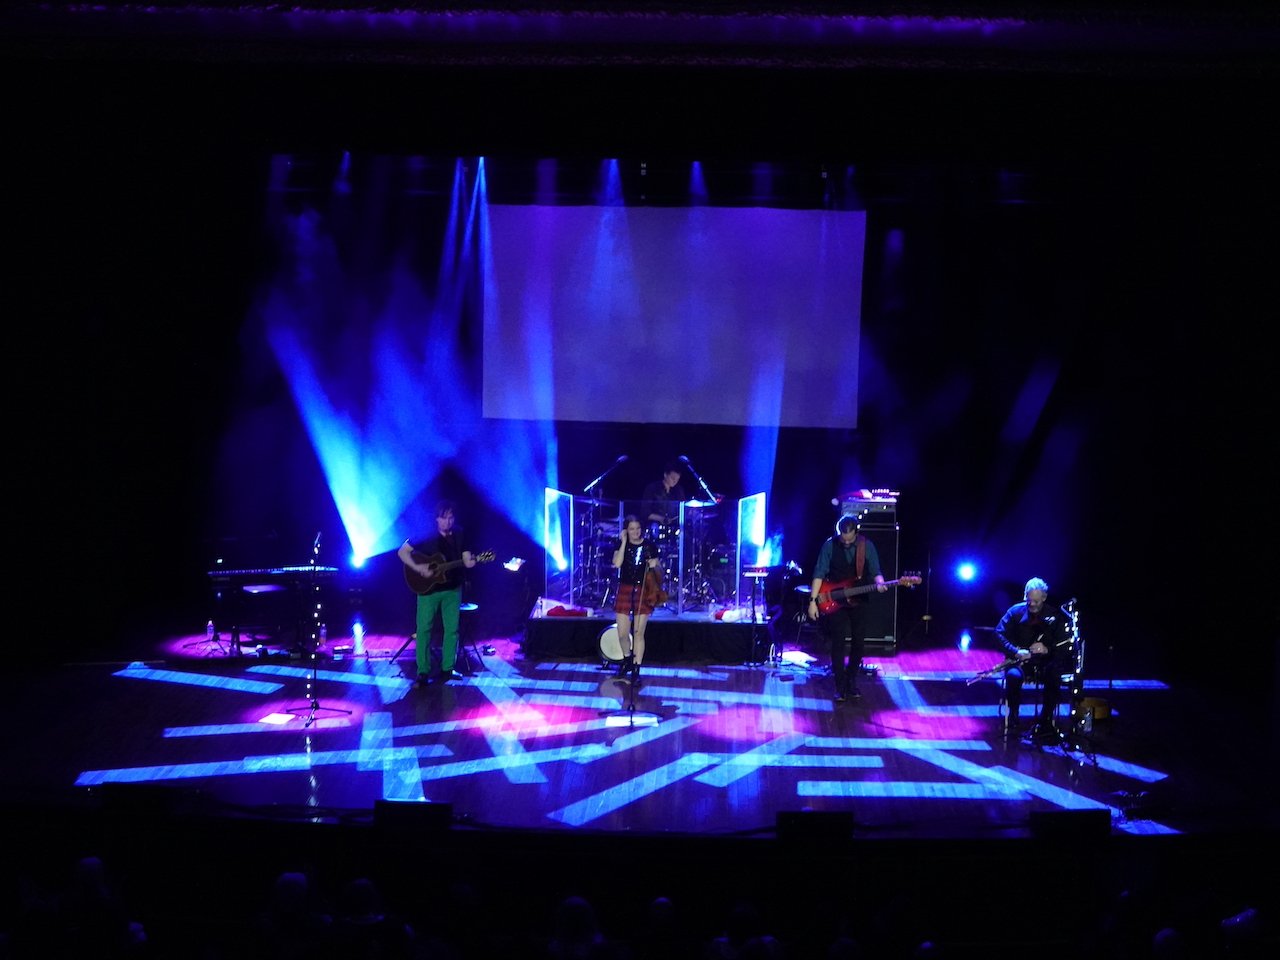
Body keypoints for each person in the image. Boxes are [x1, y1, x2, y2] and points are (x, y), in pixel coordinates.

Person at [808, 513, 886, 703]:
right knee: (838, 642)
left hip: (859, 599)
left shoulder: (866, 546)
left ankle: (851, 680)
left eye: (850, 539)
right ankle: (840, 685)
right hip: (836, 599)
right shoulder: (829, 545)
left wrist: (880, 582)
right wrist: (813, 601)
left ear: (856, 533)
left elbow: (875, 570)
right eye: (843, 539)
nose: (846, 542)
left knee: (859, 642)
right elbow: (819, 573)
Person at [398, 500, 477, 686]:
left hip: (452, 589)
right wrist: (418, 568)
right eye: (444, 518)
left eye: (451, 518)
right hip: (428, 590)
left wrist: (472, 561)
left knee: (452, 630)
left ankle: (447, 669)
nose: (448, 522)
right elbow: (402, 552)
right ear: (436, 519)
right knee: (424, 630)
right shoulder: (425, 535)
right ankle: (423, 672)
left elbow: (466, 558)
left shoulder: (459, 533)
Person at [994, 576, 1071, 741]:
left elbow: (1063, 646)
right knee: (1013, 676)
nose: (1032, 604)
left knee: (1054, 676)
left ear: (1044, 597)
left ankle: (1045, 719)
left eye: (1036, 601)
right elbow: (999, 633)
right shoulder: (1015, 612)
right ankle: (1014, 715)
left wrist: (1047, 649)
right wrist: (1016, 652)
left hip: (1045, 663)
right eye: (1029, 601)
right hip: (1020, 662)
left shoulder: (1055, 616)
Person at [611, 514, 663, 686]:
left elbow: (659, 570)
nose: (635, 532)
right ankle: (627, 660)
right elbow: (617, 564)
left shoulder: (649, 546)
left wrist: (656, 564)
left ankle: (636, 669)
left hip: (643, 590)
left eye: (638, 528)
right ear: (626, 530)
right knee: (622, 634)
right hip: (625, 588)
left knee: (639, 633)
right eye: (632, 529)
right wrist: (624, 542)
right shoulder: (621, 544)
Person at [641, 460, 687, 527]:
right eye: (673, 478)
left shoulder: (679, 490)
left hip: (674, 526)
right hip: (654, 525)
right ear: (665, 475)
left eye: (677, 479)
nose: (675, 481)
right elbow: (645, 512)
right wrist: (661, 519)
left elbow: (682, 509)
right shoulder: (652, 488)